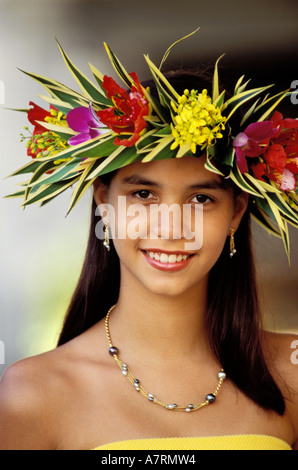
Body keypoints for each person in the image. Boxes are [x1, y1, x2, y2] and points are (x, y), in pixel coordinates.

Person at [0, 32, 297, 450]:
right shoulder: (33, 394)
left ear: (235, 212)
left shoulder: (292, 372)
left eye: (200, 198)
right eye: (144, 195)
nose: (170, 228)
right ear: (104, 202)